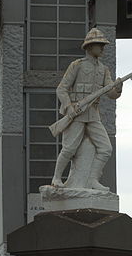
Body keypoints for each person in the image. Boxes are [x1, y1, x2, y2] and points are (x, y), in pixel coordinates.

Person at [51, 28, 122, 190]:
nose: (103, 48)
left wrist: (118, 88)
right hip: (76, 113)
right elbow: (61, 89)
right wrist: (69, 108)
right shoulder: (77, 65)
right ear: (90, 47)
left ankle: (92, 180)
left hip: (92, 115)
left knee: (105, 148)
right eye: (99, 45)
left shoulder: (103, 69)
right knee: (69, 149)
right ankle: (56, 178)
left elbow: (111, 94)